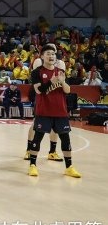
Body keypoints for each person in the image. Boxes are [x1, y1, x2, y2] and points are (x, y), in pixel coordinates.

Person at [27, 44, 81, 178]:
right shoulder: (37, 72)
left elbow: (67, 90)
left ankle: (69, 167)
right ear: (42, 56)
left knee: (66, 139)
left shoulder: (60, 71)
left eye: (53, 54)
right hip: (44, 111)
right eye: (48, 54)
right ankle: (32, 165)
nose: (51, 56)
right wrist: (51, 81)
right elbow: (39, 90)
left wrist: (62, 82)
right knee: (38, 138)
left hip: (60, 111)